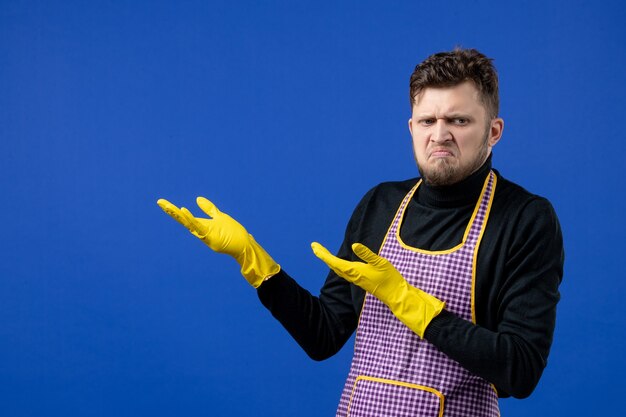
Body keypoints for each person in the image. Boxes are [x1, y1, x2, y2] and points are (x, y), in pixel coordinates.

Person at [157, 48, 564, 417]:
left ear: (493, 131)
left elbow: (521, 371)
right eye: (428, 120)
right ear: (411, 127)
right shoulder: (381, 205)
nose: (440, 135)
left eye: (458, 120)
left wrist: (410, 304)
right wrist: (253, 260)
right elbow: (324, 335)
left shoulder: (524, 218)